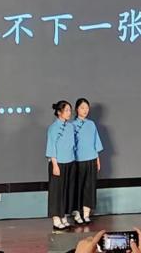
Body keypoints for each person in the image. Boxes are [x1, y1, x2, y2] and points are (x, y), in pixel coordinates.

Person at [72, 97, 104, 225]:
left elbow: (96, 143)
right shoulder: (72, 125)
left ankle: (86, 214)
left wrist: (97, 159)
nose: (85, 110)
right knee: (78, 187)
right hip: (78, 160)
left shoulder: (91, 124)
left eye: (87, 108)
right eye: (82, 108)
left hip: (91, 159)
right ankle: (77, 213)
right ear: (77, 109)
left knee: (89, 187)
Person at [46, 99, 77, 230]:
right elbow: (51, 146)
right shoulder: (53, 128)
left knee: (67, 190)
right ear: (59, 112)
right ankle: (56, 218)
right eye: (66, 110)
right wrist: (55, 164)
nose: (69, 113)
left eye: (70, 110)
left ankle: (63, 215)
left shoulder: (70, 127)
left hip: (70, 161)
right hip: (58, 163)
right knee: (56, 192)